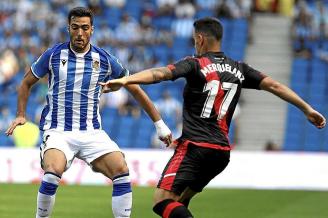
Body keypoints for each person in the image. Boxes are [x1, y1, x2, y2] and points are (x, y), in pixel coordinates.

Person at [100, 17, 327, 218]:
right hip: (221, 153)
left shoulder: (195, 63)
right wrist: (307, 108)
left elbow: (160, 73)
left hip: (195, 147)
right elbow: (275, 85)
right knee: (180, 202)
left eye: (193, 39)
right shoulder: (240, 68)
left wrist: (126, 80)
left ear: (200, 39)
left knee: (162, 202)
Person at [5, 7, 172, 218]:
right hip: (58, 131)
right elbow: (26, 83)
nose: (80, 33)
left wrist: (160, 125)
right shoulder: (54, 55)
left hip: (92, 132)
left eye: (85, 28)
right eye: (75, 27)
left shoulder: (104, 59)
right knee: (52, 172)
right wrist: (21, 114)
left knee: (121, 170)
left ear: (92, 30)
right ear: (68, 28)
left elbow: (133, 86)